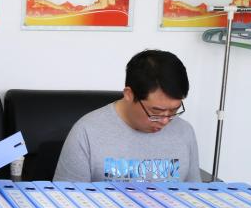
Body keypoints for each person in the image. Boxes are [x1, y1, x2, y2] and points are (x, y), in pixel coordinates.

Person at [53, 49, 201, 183]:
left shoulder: (185, 131)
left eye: (174, 110)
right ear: (129, 94)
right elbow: (66, 198)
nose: (165, 121)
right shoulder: (86, 132)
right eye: (156, 112)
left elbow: (194, 194)